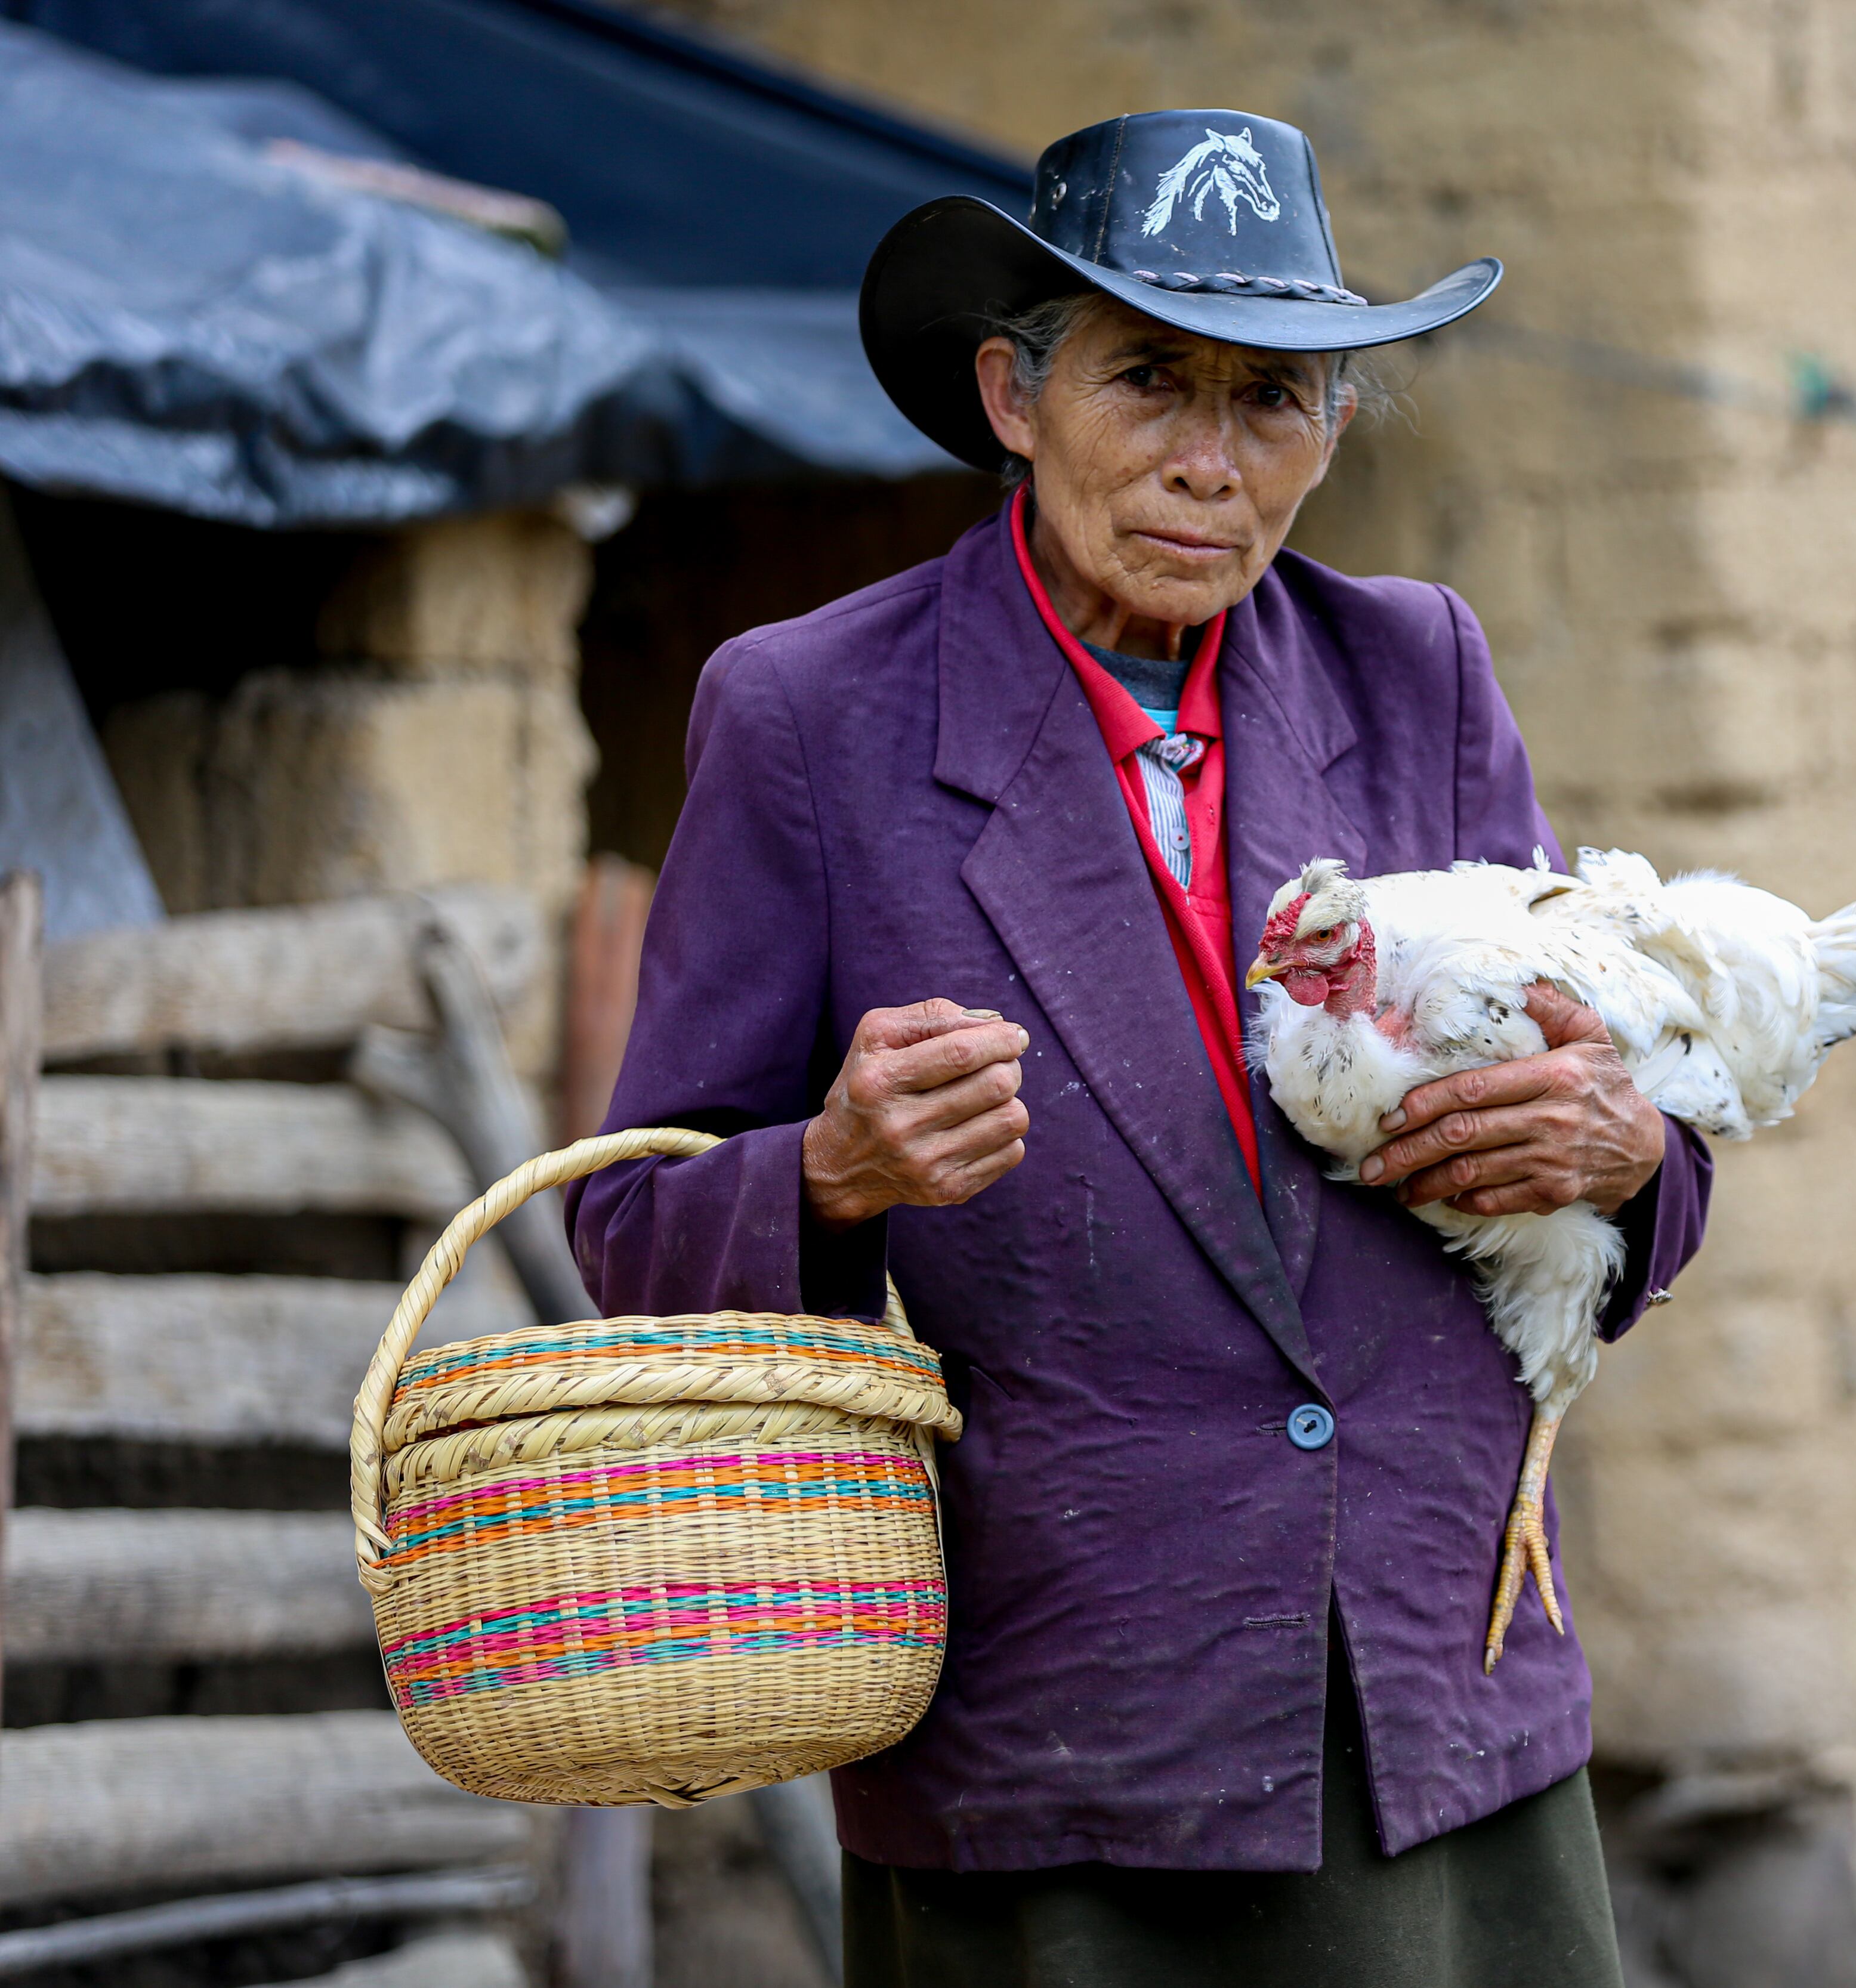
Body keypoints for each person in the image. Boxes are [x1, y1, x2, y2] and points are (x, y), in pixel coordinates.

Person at [567, 110, 1713, 1987]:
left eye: (1274, 402)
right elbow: (630, 1227)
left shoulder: (1416, 672)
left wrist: (1630, 1154)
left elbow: (1620, 1099)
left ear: (1333, 431)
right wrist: (835, 1170)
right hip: (1063, 1738)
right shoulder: (813, 719)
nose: (1207, 464)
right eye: (1148, 384)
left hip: (1435, 1699)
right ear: (1013, 393)